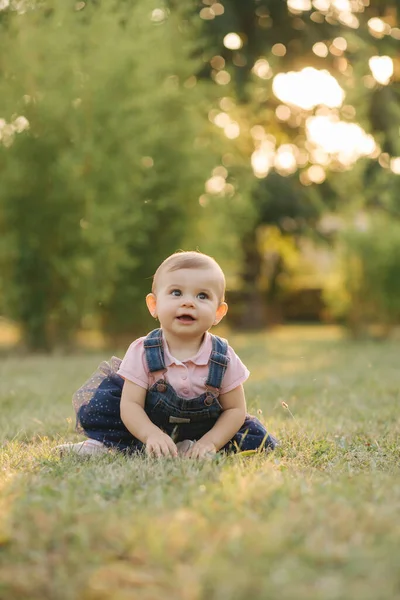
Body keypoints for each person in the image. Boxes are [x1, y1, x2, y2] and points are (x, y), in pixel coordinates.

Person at [58, 251, 278, 458]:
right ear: (154, 305)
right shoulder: (143, 350)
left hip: (204, 428)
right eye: (176, 293)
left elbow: (235, 409)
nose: (188, 302)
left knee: (254, 437)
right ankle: (104, 444)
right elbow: (131, 405)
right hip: (145, 424)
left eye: (202, 296)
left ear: (218, 313)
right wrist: (150, 434)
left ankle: (192, 446)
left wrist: (210, 442)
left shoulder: (223, 356)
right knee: (110, 406)